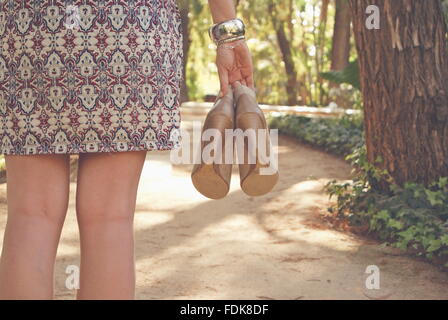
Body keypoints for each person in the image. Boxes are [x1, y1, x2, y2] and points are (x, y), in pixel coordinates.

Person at [0, 0, 254, 299]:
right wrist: (229, 34)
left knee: (32, 214)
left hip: (32, 25)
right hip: (132, 27)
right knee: (111, 218)